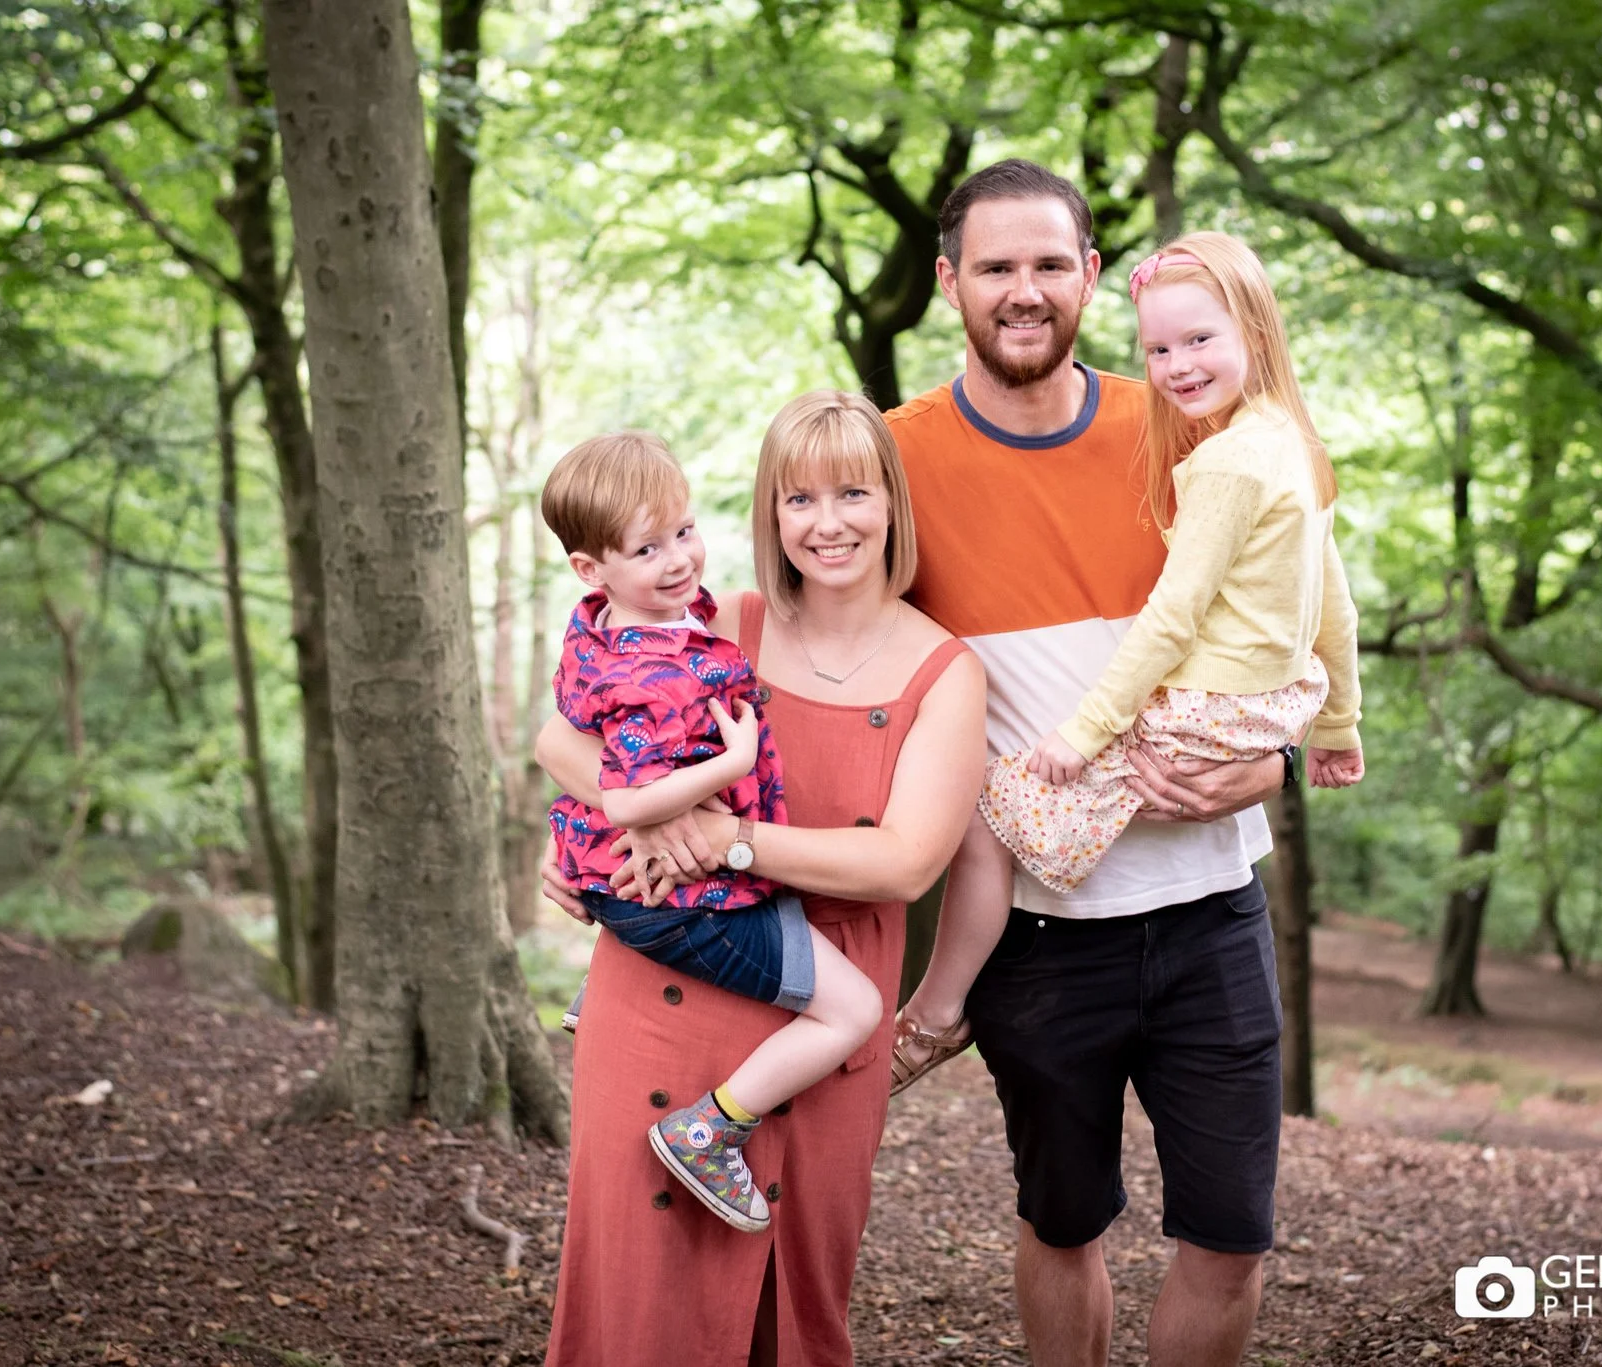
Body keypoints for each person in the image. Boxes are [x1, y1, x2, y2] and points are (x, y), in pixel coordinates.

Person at [885, 160, 1364, 1367]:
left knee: (1230, 1238)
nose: (1024, 289)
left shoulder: (1187, 418)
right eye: (995, 265)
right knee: (1060, 1224)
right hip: (1041, 934)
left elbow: (1295, 603)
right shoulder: (895, 461)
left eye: (1050, 263)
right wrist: (637, 798)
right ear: (950, 283)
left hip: (1210, 911)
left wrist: (1278, 763)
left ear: (1090, 276)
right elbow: (819, 647)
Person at [537, 390, 985, 1366]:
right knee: (632, 1302)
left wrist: (724, 836)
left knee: (794, 1308)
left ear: (891, 505)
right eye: (798, 499)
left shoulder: (945, 671)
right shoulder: (718, 623)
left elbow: (905, 860)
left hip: (819, 1018)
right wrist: (582, 829)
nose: (826, 523)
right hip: (657, 1001)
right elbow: (563, 740)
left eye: (852, 493)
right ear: (769, 513)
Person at [895, 229, 1364, 1091]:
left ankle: (931, 1017)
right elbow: (1329, 600)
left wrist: (1087, 733)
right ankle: (937, 1008)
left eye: (1198, 340)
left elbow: (1176, 617)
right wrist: (1334, 722)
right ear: (950, 280)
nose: (1178, 364)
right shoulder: (1289, 442)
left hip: (1209, 814)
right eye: (1159, 348)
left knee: (989, 812)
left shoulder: (1206, 450)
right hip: (1249, 722)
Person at [538, 430, 884, 1234]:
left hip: (634, 882)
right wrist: (731, 765)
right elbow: (629, 800)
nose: (679, 559)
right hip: (680, 902)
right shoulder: (648, 673)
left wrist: (572, 842)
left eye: (684, 531)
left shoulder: (616, 625)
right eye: (648, 547)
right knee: (854, 1010)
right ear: (591, 569)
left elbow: (572, 740)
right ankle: (710, 1129)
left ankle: (610, 976)